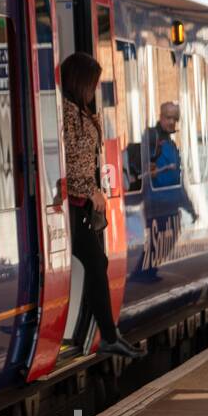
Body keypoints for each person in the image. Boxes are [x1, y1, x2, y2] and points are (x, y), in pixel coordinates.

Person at [60, 52, 139, 359]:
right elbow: (73, 165)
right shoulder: (70, 114)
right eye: (92, 84)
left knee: (97, 263)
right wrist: (93, 191)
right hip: (74, 207)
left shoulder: (74, 111)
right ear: (81, 82)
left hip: (78, 206)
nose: (94, 91)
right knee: (96, 263)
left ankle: (106, 333)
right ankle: (107, 335)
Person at [133, 102, 198, 281]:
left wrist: (189, 207)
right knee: (156, 240)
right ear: (161, 117)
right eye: (168, 118)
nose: (171, 122)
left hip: (171, 201)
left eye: (174, 119)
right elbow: (140, 163)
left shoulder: (171, 144)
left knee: (166, 239)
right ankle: (143, 273)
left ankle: (148, 271)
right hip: (156, 202)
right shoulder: (152, 138)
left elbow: (177, 179)